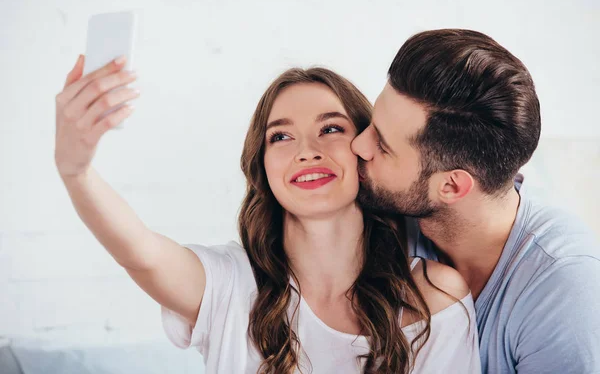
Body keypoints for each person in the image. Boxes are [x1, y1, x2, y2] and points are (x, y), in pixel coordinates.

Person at [54, 57, 480, 373]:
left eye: (331, 128)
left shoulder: (432, 296)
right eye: (281, 136)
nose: (306, 150)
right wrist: (75, 170)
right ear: (263, 166)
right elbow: (140, 253)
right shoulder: (228, 285)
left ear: (366, 148)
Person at [351, 28, 600, 374]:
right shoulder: (384, 221)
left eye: (383, 145)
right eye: (371, 126)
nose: (358, 146)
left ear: (452, 186)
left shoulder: (564, 291)